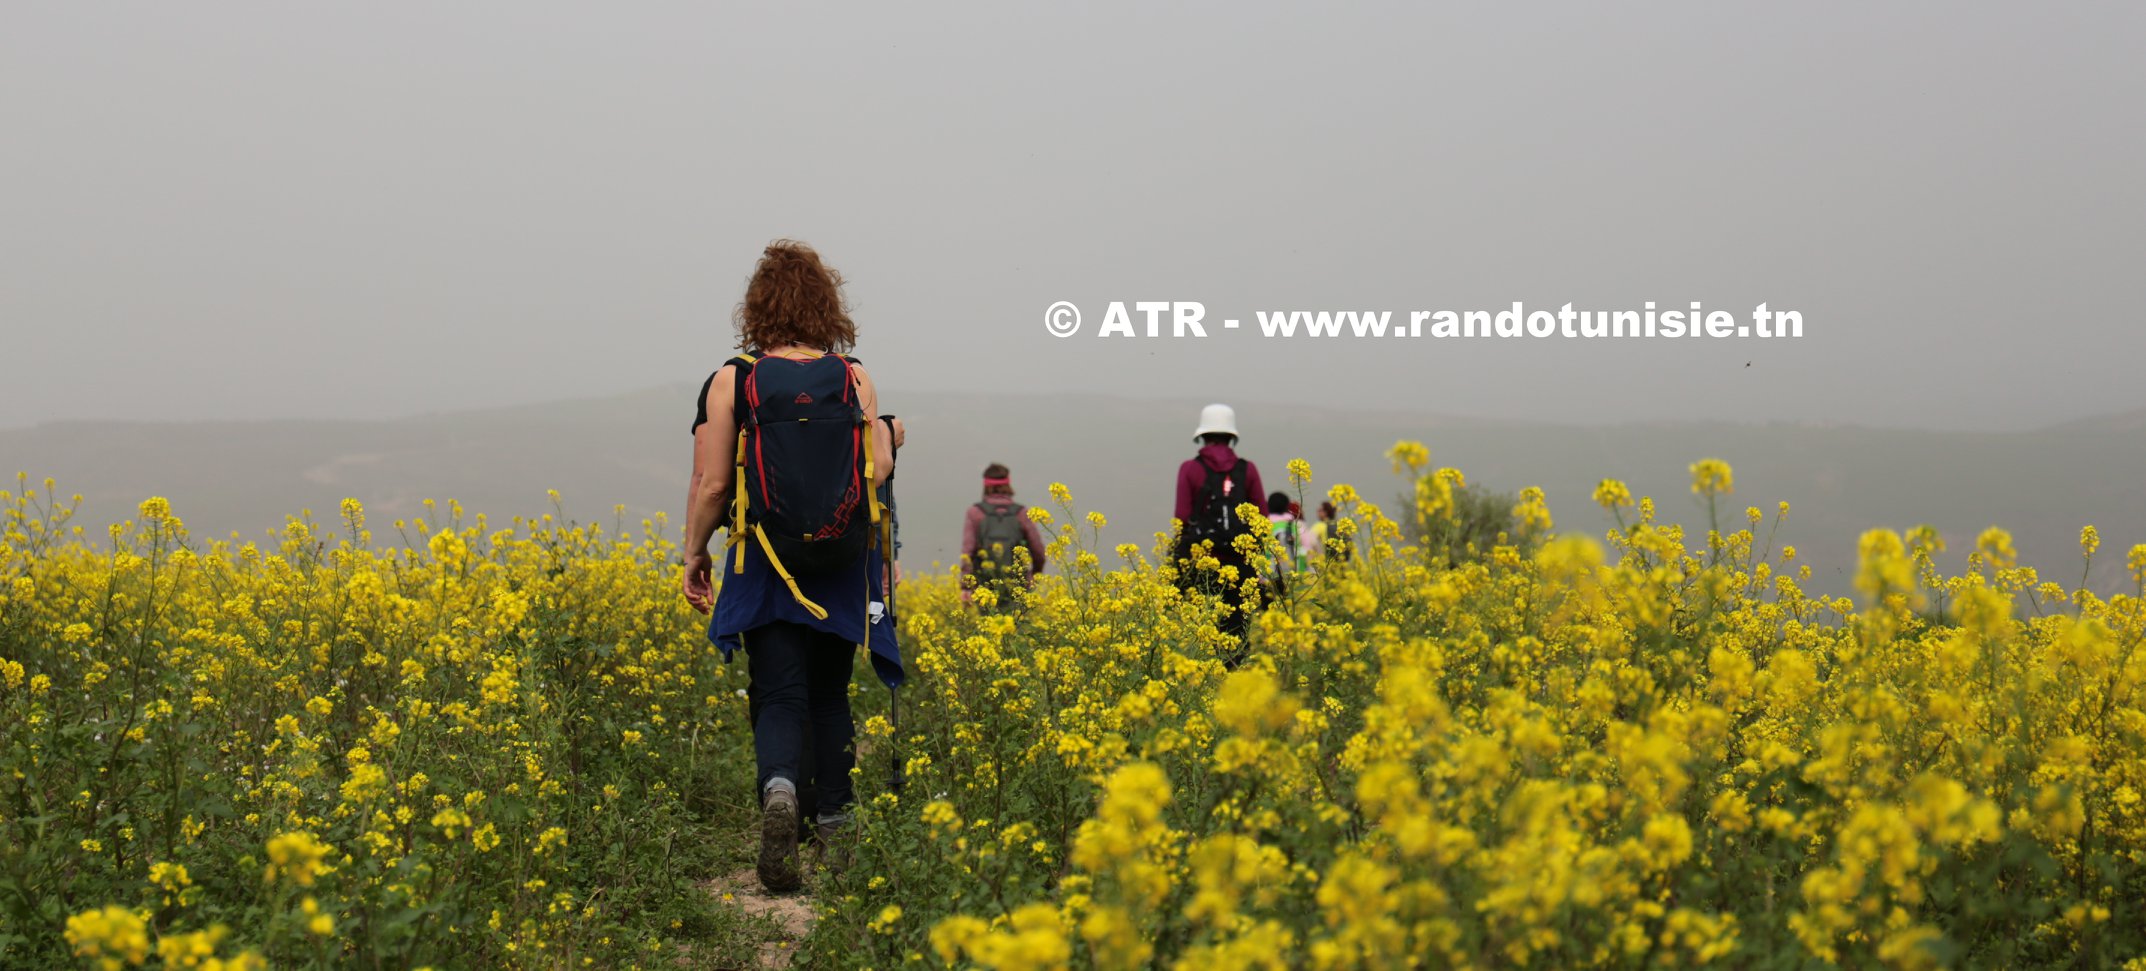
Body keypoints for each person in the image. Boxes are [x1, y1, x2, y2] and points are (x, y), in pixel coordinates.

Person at [681, 240, 902, 893]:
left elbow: (713, 481)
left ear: (758, 308)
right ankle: (834, 826)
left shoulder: (733, 378)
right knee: (831, 695)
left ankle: (780, 793)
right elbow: (878, 469)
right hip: (839, 558)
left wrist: (695, 552)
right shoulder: (854, 377)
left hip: (762, 554)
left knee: (779, 692)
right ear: (826, 304)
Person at [1172, 404, 1266, 664]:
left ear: (1202, 435)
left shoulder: (1189, 469)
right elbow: (1262, 518)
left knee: (1204, 629)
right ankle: (1233, 684)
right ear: (1231, 436)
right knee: (1237, 632)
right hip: (1241, 566)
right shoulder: (1248, 470)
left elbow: (1181, 517)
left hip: (1204, 562)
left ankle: (1203, 685)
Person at [960, 463, 1048, 610]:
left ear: (986, 485)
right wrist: (1034, 577)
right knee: (1015, 628)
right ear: (1008, 484)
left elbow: (967, 553)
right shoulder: (1021, 513)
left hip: (984, 588)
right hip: (1017, 586)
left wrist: (966, 587)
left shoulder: (975, 513)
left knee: (988, 629)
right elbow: (1039, 552)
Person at [1265, 491, 1313, 596]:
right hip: (1296, 576)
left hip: (1270, 578)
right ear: (1287, 506)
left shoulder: (1264, 527)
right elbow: (1309, 551)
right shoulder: (1297, 526)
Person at [1312, 499, 1351, 564]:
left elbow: (1309, 541)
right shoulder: (1340, 525)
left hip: (1325, 562)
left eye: (1320, 510)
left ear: (1326, 512)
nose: (1317, 512)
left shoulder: (1320, 525)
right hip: (1341, 563)